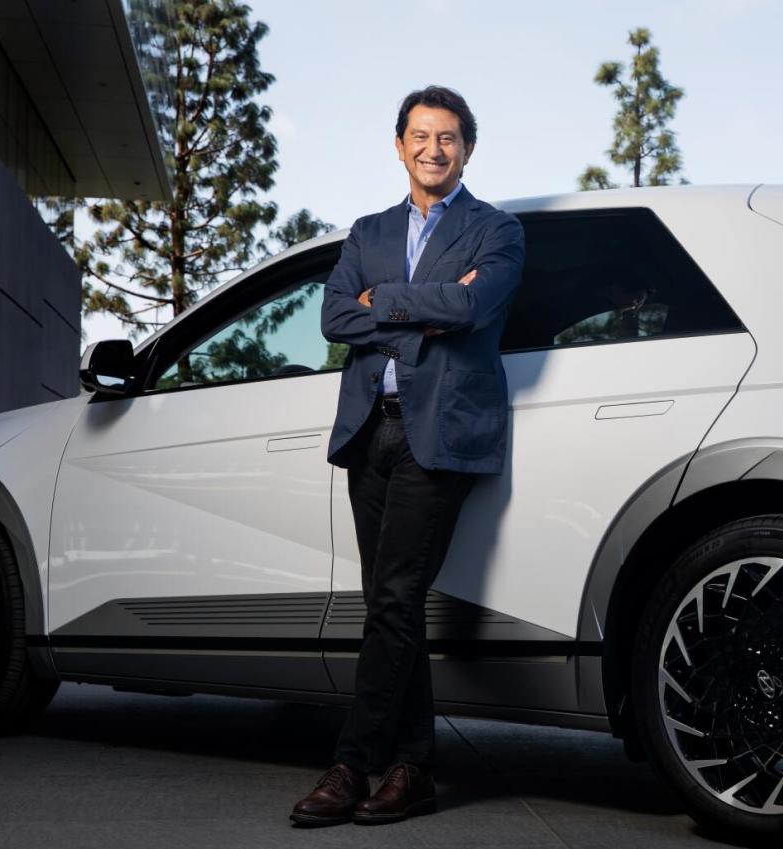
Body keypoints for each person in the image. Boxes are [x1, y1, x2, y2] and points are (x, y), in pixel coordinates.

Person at [291, 85, 524, 827]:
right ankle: (412, 766)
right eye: (420, 136)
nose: (433, 148)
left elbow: (473, 309)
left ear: (467, 149)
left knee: (393, 599)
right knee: (392, 607)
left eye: (448, 137)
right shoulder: (367, 230)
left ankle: (353, 762)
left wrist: (381, 305)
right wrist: (423, 306)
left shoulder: (499, 231)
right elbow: (332, 314)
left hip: (441, 434)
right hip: (370, 431)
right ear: (399, 146)